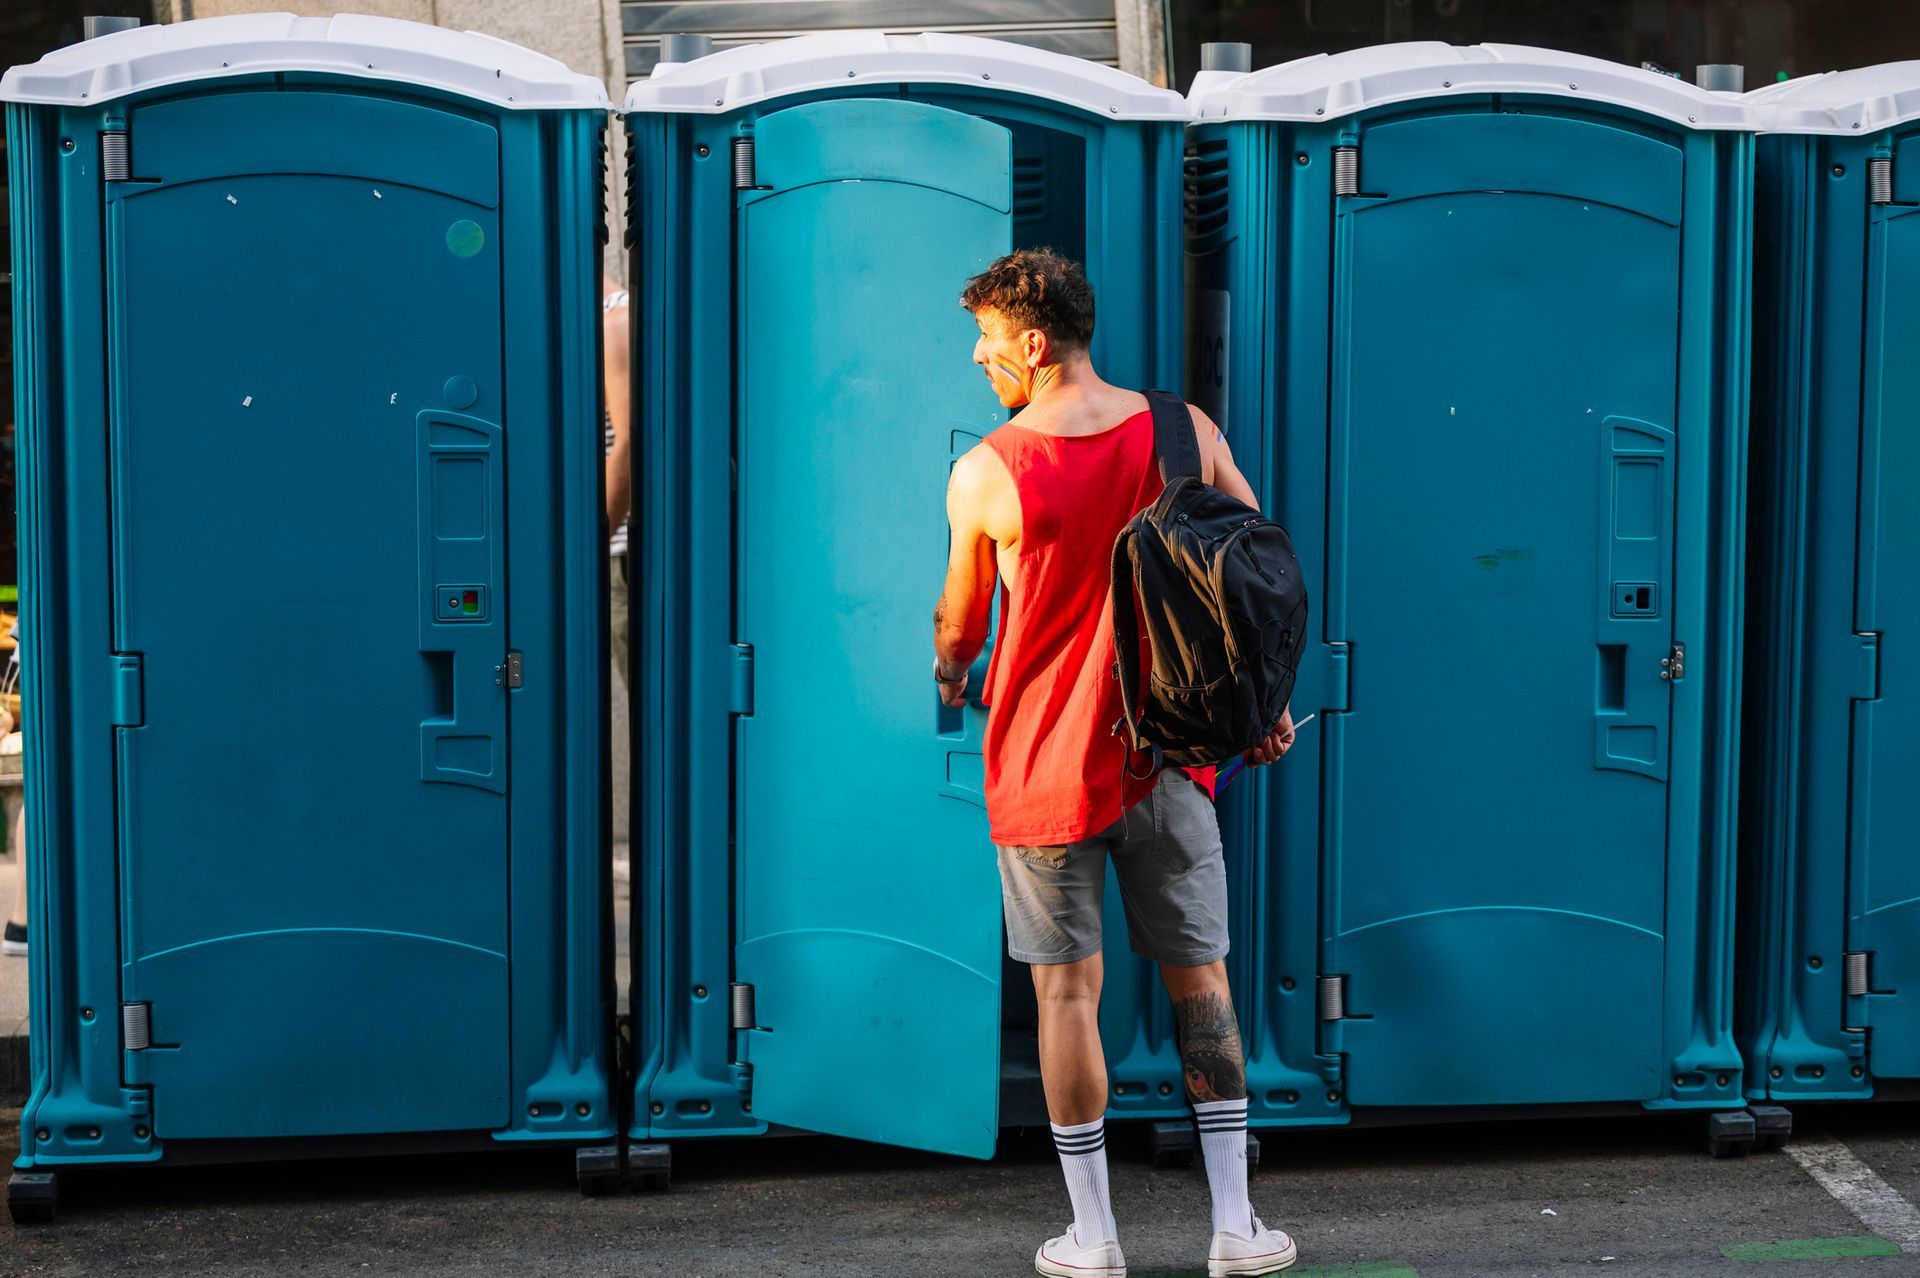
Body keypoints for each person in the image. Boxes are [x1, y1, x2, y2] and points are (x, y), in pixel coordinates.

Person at [934, 250, 1298, 1278]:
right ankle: (1235, 1225)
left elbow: (960, 630)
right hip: (1171, 763)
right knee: (1203, 987)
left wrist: (951, 667)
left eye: (990, 340)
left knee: (1066, 998)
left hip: (1044, 768)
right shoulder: (1187, 435)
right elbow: (1261, 580)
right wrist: (1260, 713)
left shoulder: (988, 470)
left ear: (1035, 344)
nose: (981, 357)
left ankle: (1094, 1237)